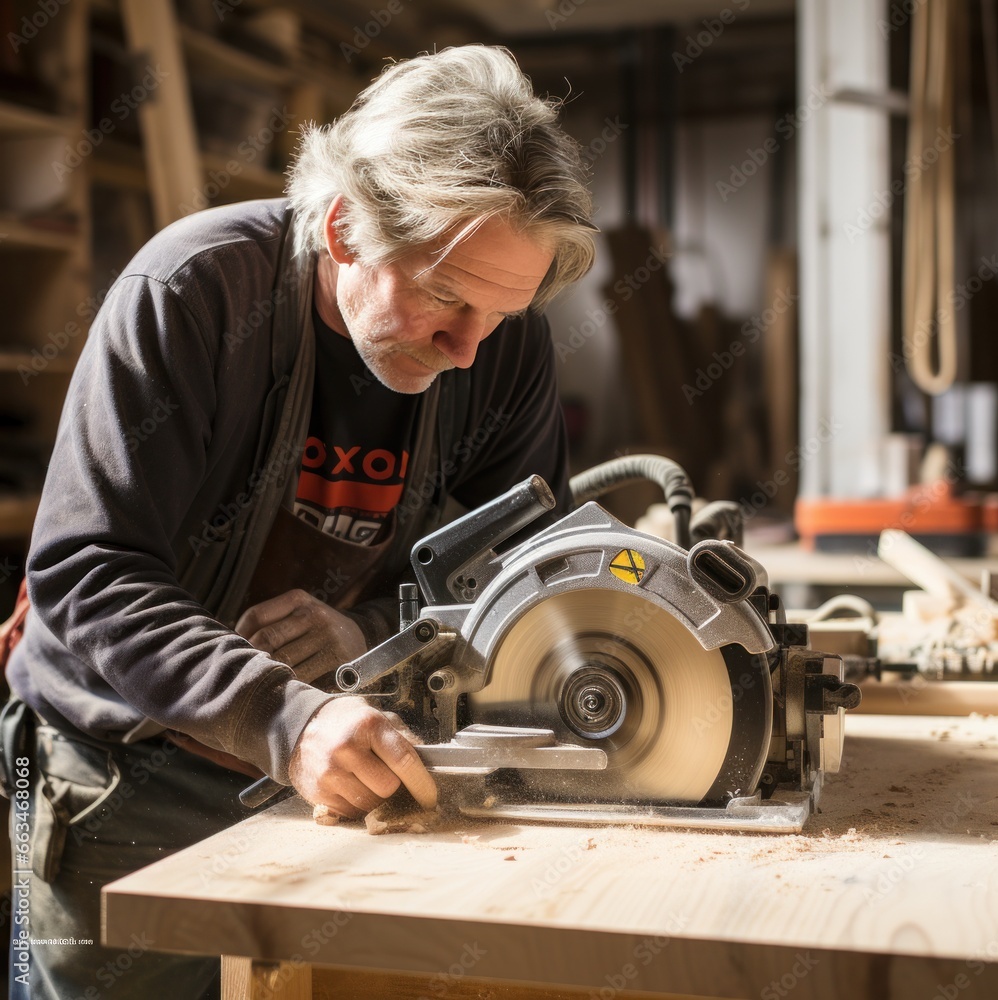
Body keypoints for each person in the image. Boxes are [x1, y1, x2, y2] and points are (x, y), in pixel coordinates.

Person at [0, 44, 595, 999]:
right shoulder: (191, 293)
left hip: (347, 753)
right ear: (346, 228)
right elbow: (87, 569)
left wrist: (370, 636)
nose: (468, 347)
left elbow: (516, 570)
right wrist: (282, 712)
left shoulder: (498, 340)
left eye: (501, 311)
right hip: (125, 763)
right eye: (445, 297)